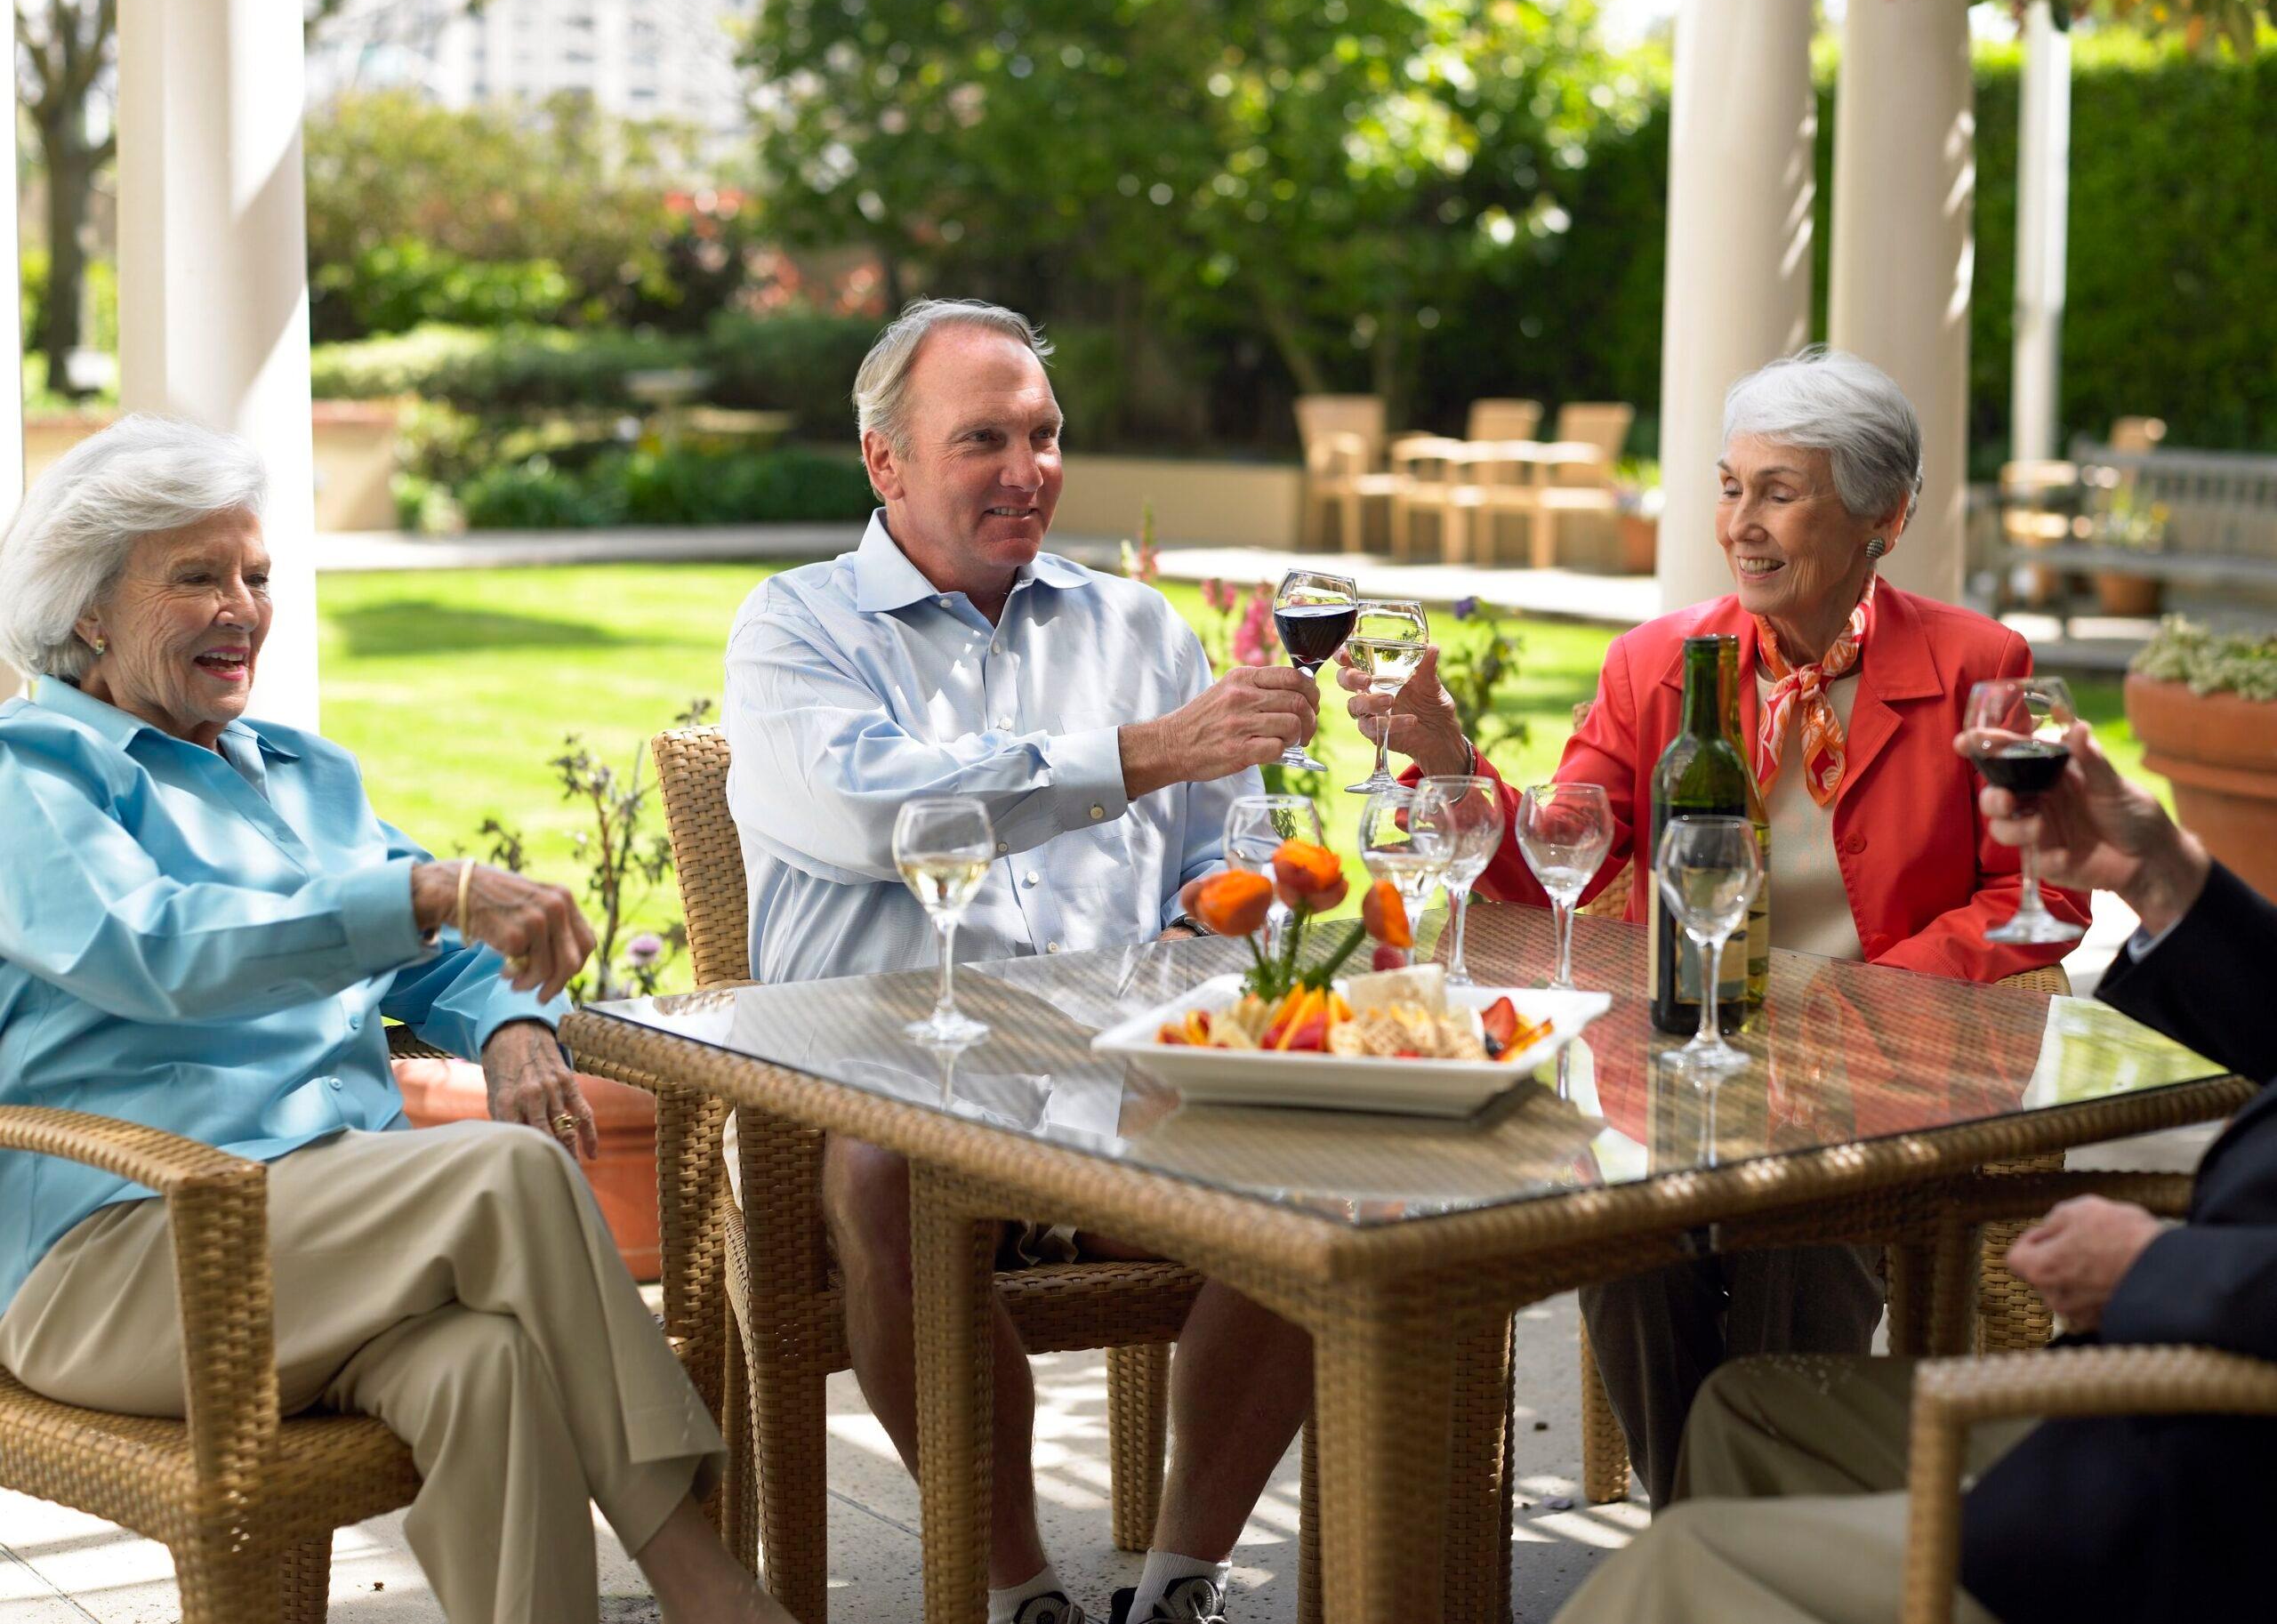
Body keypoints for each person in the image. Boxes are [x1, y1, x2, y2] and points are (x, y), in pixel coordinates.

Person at [0, 416, 791, 1624]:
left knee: (495, 1370)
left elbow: (452, 958)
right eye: (197, 576)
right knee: (506, 1176)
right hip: (126, 1262)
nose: (242, 608)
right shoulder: (35, 774)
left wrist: (511, 1028)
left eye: (256, 575)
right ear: (90, 610)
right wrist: (423, 896)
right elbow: (161, 949)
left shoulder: (301, 775)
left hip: (325, 1240)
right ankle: (705, 1580)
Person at [1340, 350, 2091, 1507]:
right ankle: (1726, 1530)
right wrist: (1443, 752)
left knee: (1802, 1233)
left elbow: (2040, 897)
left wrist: (1867, 994)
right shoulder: (1658, 662)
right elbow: (1555, 853)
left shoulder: (1975, 667)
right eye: (1730, 486)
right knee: (1618, 1239)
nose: (1741, 523)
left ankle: (1709, 1538)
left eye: (1779, 492)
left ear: (1883, 518)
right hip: (1682, 1060)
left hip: (1883, 1071)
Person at [724, 300, 1318, 1624]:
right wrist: (1143, 752)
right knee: (883, 1174)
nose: (1026, 470)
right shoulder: (796, 628)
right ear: (885, 462)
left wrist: (1218, 911)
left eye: (1044, 435)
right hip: (884, 1071)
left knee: (1320, 1164)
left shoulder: (1137, 628)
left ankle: (1178, 1584)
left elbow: (1238, 856)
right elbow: (886, 815)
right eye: (982, 438)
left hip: (1115, 1079)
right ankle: (1020, 1593)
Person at [1557, 720, 2269, 1624]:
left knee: (1681, 1560)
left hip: (2201, 1484)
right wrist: (2161, 870)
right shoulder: (1655, 665)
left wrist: (2150, 1271)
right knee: (1744, 1405)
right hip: (2158, 1404)